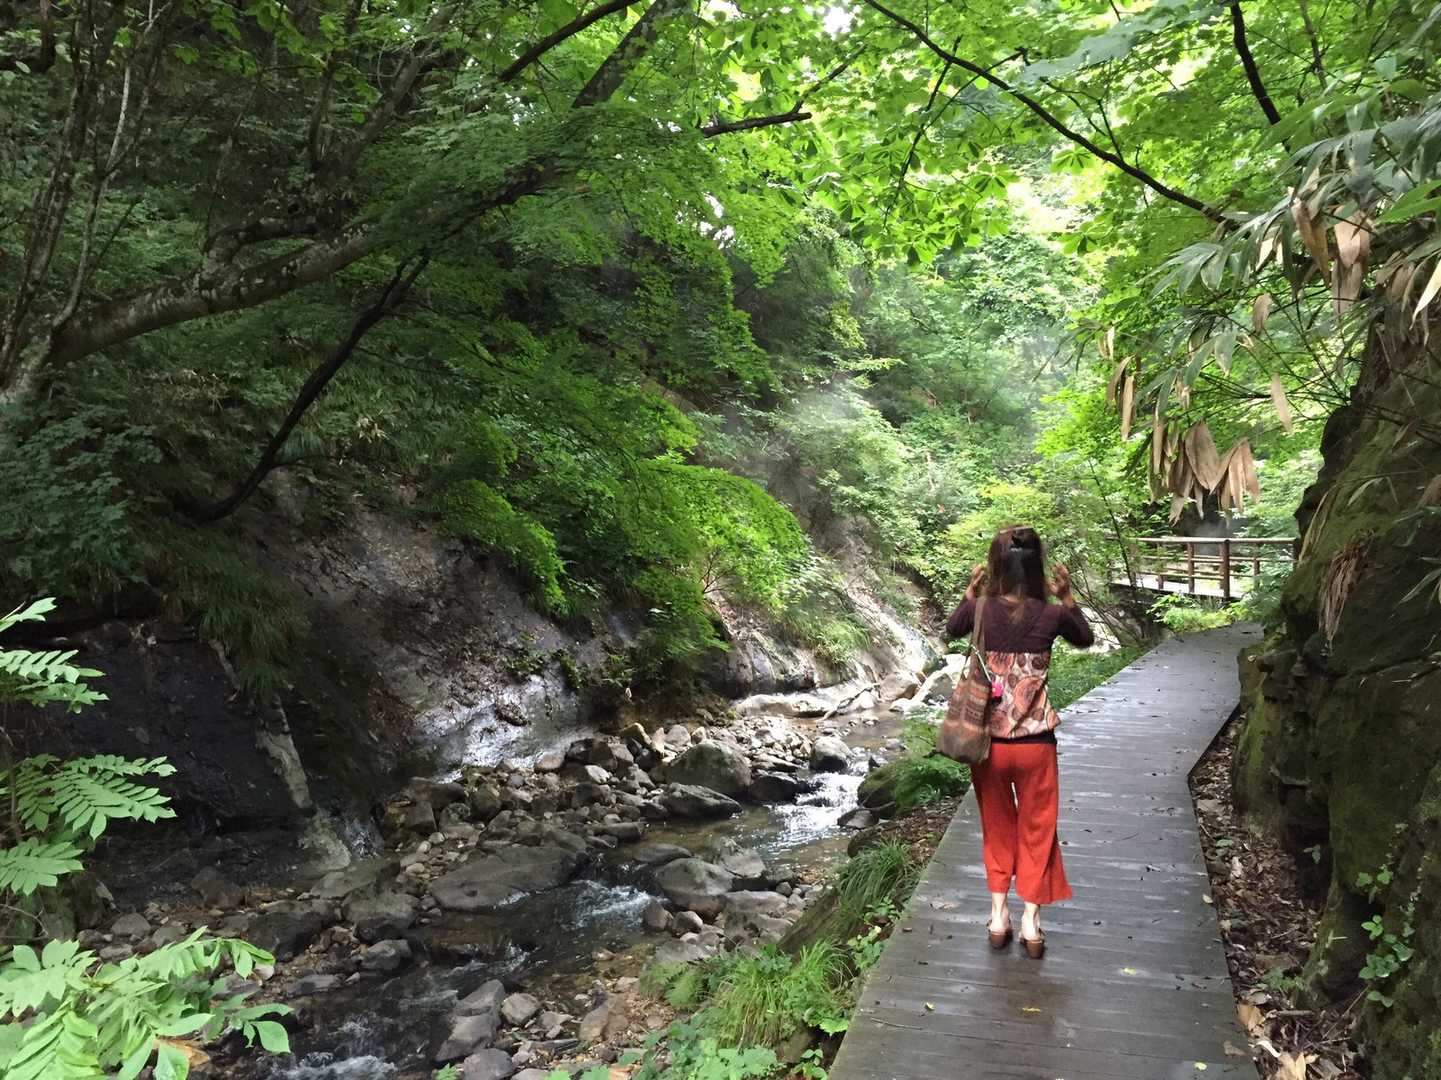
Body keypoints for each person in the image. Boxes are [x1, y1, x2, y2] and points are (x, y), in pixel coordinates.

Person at [944, 525, 1094, 959]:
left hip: (988, 747)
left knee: (996, 827)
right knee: (1037, 830)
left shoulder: (982, 610)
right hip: (1036, 744)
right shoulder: (1051, 616)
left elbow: (953, 628)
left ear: (995, 567)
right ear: (1037, 568)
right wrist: (1067, 597)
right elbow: (1085, 639)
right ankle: (1030, 920)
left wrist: (971, 594)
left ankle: (997, 916)